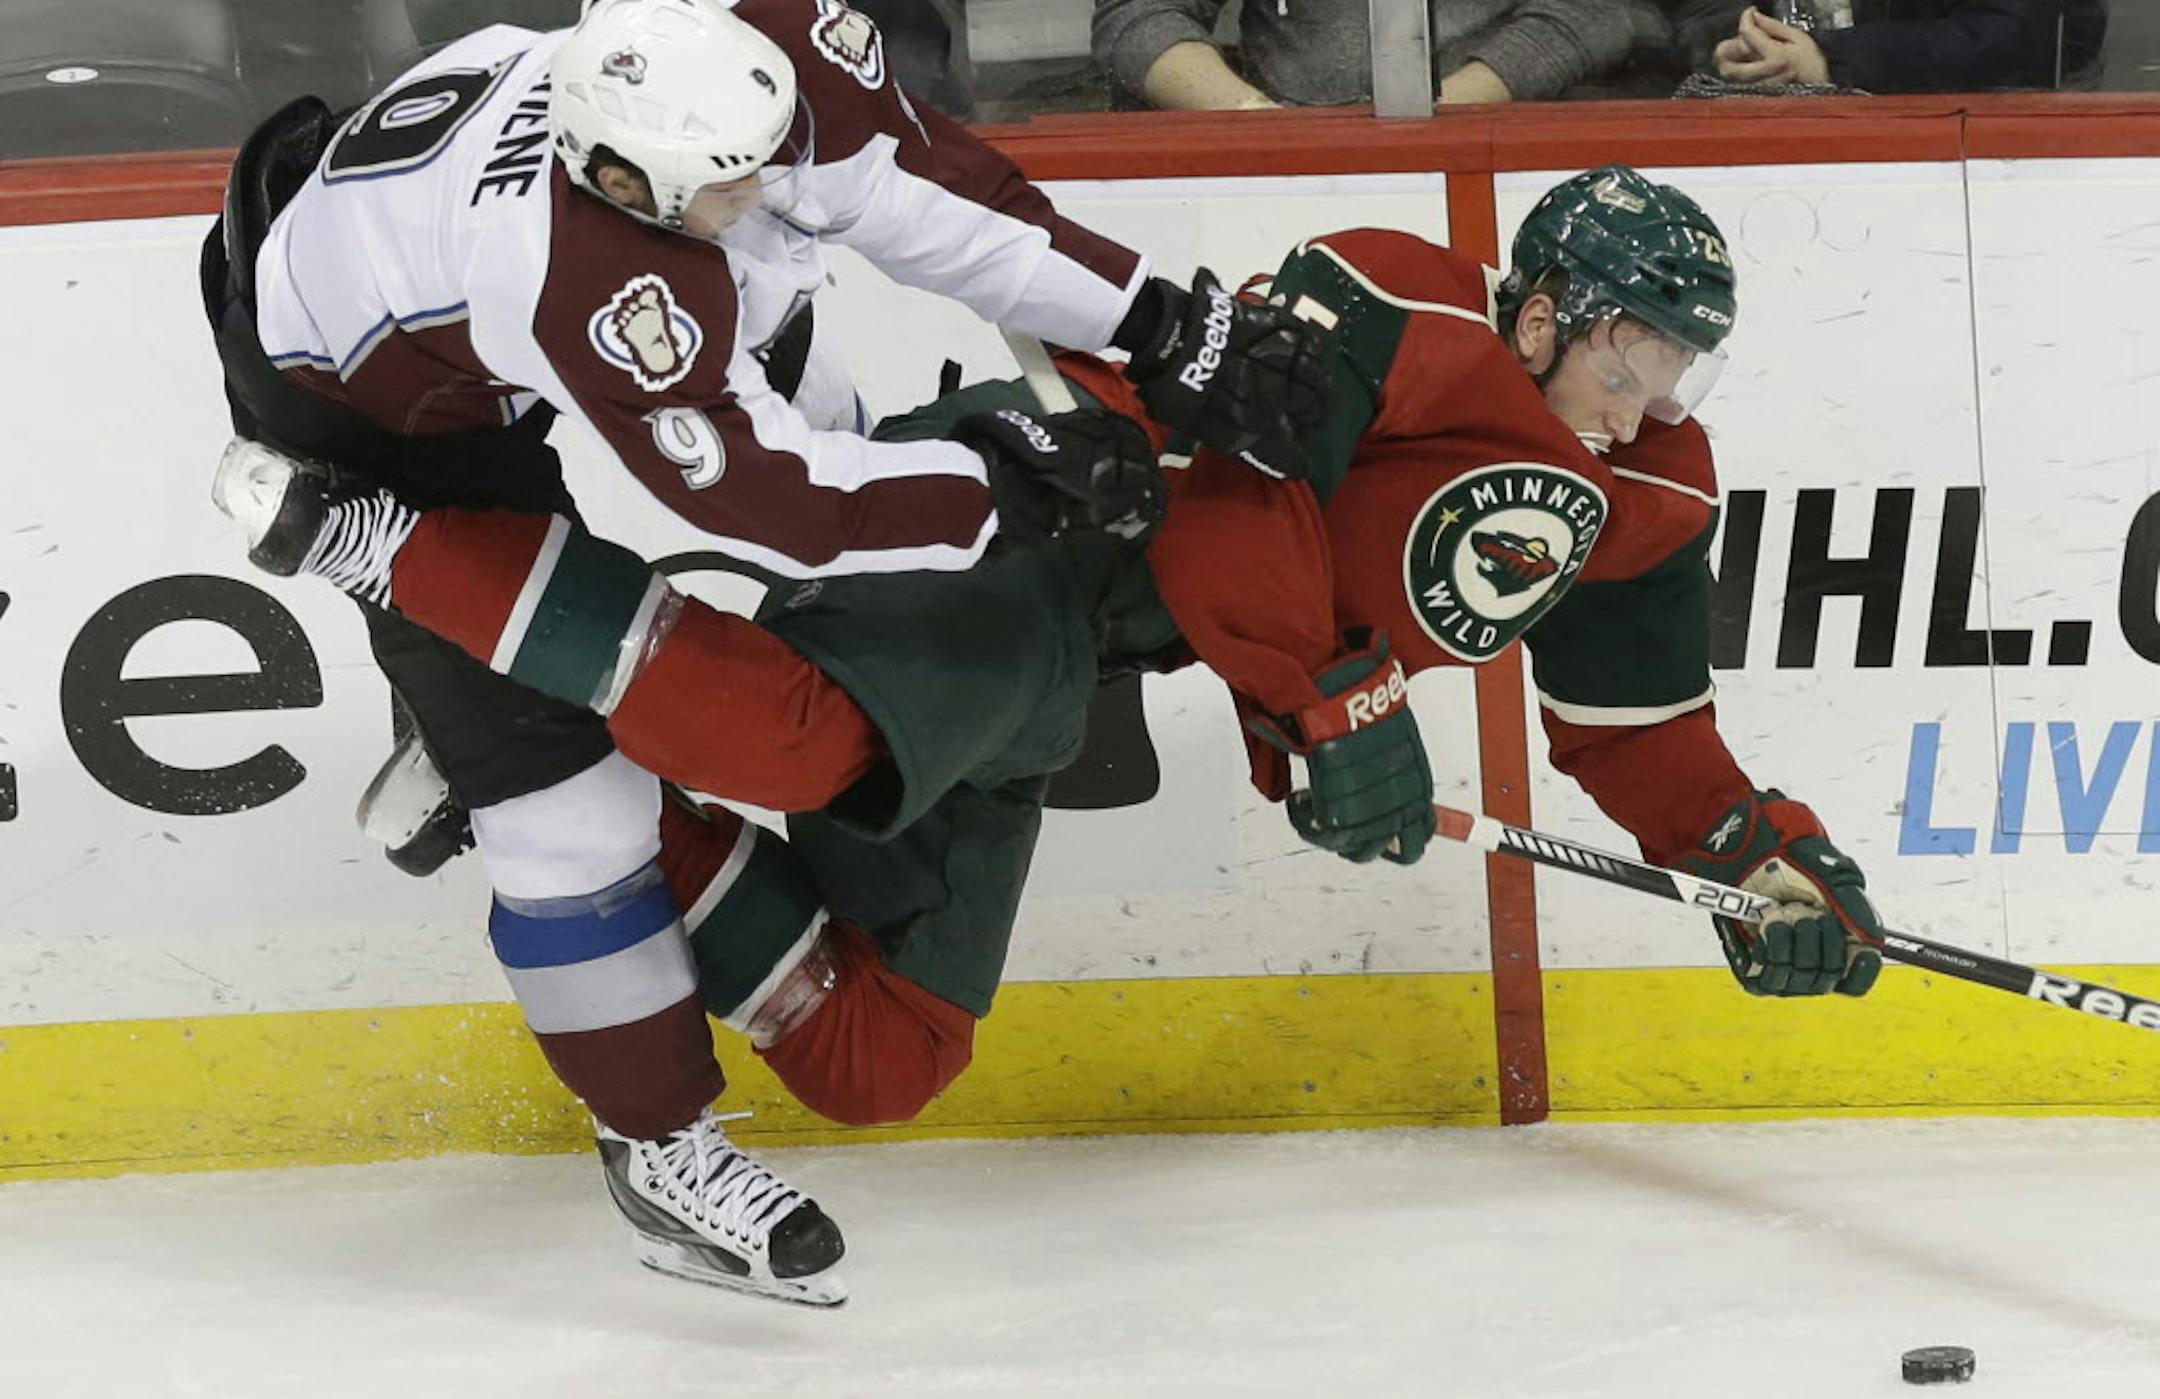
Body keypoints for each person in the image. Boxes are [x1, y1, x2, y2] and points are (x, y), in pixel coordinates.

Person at [220, 164, 1893, 1256]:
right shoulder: (1401, 299)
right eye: (1632, 354)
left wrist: (1767, 854)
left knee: (881, 1056)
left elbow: (1638, 725)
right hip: (1036, 526)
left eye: (1684, 370)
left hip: (1088, 661)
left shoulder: (1650, 497)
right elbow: (1231, 490)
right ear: (1543, 308)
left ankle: (525, 731)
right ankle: (375, 536)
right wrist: (1332, 701)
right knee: (800, 734)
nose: (1651, 399)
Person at [201, 0, 1328, 1306]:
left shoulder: (745, 55)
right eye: (726, 181)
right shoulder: (588, 276)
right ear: (622, 180)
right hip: (359, 401)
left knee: (795, 329)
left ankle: (457, 693)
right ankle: (655, 1140)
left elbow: (923, 196)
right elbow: (773, 499)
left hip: (404, 253)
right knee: (571, 806)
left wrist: (1162, 319)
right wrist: (992, 489)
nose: (762, 182)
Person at [1092, 0, 1632, 110]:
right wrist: (1253, 120)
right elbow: (1140, 15)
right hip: (1272, 163)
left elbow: (1593, 10)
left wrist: (1446, 109)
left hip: (1503, 147)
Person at [1707, 0, 2069, 92]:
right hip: (1762, 152)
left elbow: (2011, 37)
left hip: (1941, 164)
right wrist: (1726, 46)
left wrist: (1828, 61)